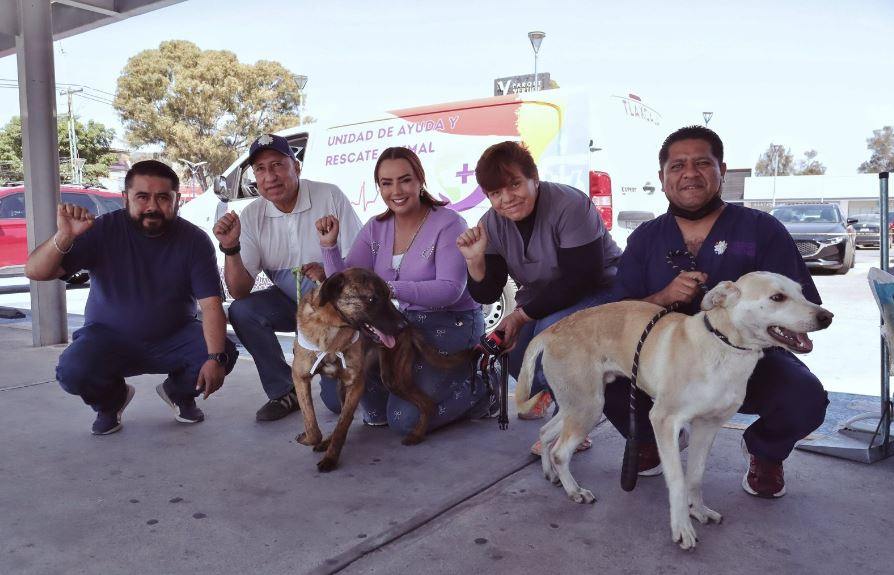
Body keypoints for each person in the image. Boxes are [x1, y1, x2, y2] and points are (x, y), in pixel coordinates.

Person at [607, 125, 828, 497]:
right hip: (662, 364)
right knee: (606, 373)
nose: (689, 173)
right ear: (662, 178)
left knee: (804, 396)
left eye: (701, 163)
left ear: (722, 170)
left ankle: (766, 451)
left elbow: (796, 304)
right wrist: (662, 296)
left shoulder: (761, 229)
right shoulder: (645, 237)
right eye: (677, 166)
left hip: (747, 361)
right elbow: (617, 315)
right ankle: (648, 437)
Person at [25, 160, 238, 435]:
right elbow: (36, 271)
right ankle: (111, 401)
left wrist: (215, 358)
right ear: (126, 198)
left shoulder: (194, 240)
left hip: (174, 337)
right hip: (107, 338)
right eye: (142, 196)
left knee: (222, 353)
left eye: (163, 197)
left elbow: (210, 306)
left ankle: (179, 392)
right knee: (73, 370)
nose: (152, 206)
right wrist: (65, 236)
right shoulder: (101, 230)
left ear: (177, 200)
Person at [456, 140, 622, 451]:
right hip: (544, 298)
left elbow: (580, 279)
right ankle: (551, 389)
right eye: (495, 193)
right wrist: (474, 260)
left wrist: (520, 316)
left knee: (552, 339)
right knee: (517, 354)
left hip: (601, 290)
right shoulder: (490, 224)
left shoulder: (569, 204)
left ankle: (572, 424)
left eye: (515, 184)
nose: (507, 199)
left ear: (534, 177)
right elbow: (488, 292)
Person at [316, 146, 490, 433]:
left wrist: (387, 290)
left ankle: (481, 390)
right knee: (369, 409)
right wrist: (329, 246)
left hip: (450, 322)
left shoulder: (449, 223)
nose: (396, 190)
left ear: (420, 180)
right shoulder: (376, 227)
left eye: (405, 180)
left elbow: (450, 290)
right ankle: (398, 391)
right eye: (386, 183)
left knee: (405, 421)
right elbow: (345, 289)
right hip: (400, 325)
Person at [213, 133, 361, 422]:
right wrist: (230, 247)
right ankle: (285, 391)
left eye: (278, 165)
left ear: (297, 167)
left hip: (332, 305)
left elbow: (358, 265)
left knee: (335, 402)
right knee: (242, 311)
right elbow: (239, 290)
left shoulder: (329, 195)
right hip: (288, 300)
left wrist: (328, 271)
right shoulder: (253, 214)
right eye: (260, 169)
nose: (270, 176)